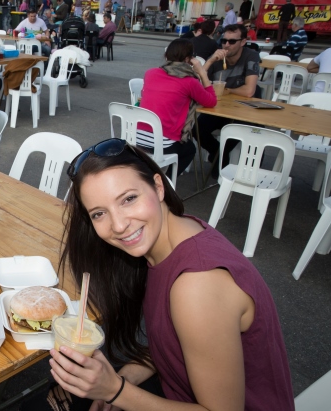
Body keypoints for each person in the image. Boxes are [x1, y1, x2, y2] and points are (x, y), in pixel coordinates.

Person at [42, 136, 295, 411]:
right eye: (99, 213)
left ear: (158, 187)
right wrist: (125, 377)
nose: (119, 225)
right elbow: (178, 347)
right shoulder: (175, 235)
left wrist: (116, 391)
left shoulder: (197, 284)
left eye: (129, 199)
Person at [137, 39, 216, 177]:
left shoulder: (151, 73)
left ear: (166, 56)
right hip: (163, 143)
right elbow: (211, 101)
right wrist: (202, 73)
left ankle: (154, 176)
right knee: (189, 149)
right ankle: (164, 183)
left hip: (136, 137)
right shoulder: (189, 81)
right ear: (189, 59)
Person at [198, 24, 259, 174]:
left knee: (236, 132)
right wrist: (211, 61)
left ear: (243, 42)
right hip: (218, 108)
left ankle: (219, 158)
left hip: (243, 109)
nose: (226, 45)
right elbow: (198, 84)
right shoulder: (217, 57)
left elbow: (249, 91)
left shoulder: (250, 56)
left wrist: (226, 91)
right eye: (224, 40)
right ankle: (220, 155)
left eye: (232, 42)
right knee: (197, 130)